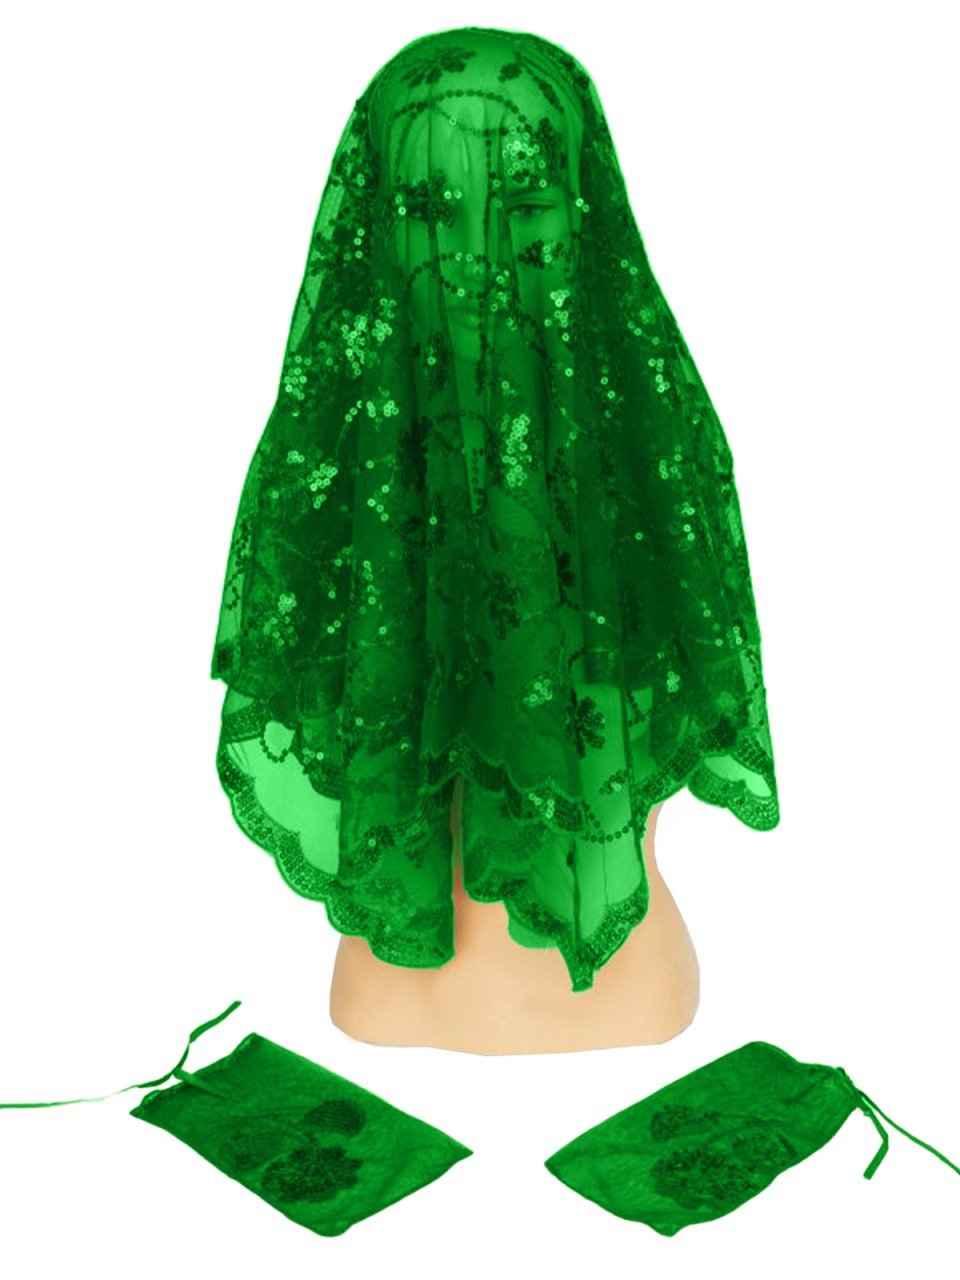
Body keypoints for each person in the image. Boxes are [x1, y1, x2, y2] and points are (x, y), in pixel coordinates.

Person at [210, 26, 779, 1054]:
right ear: (373, 225)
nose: (475, 257)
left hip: (625, 996)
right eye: (431, 210)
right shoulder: (324, 473)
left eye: (523, 204)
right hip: (387, 1003)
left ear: (583, 207)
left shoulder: (651, 456)